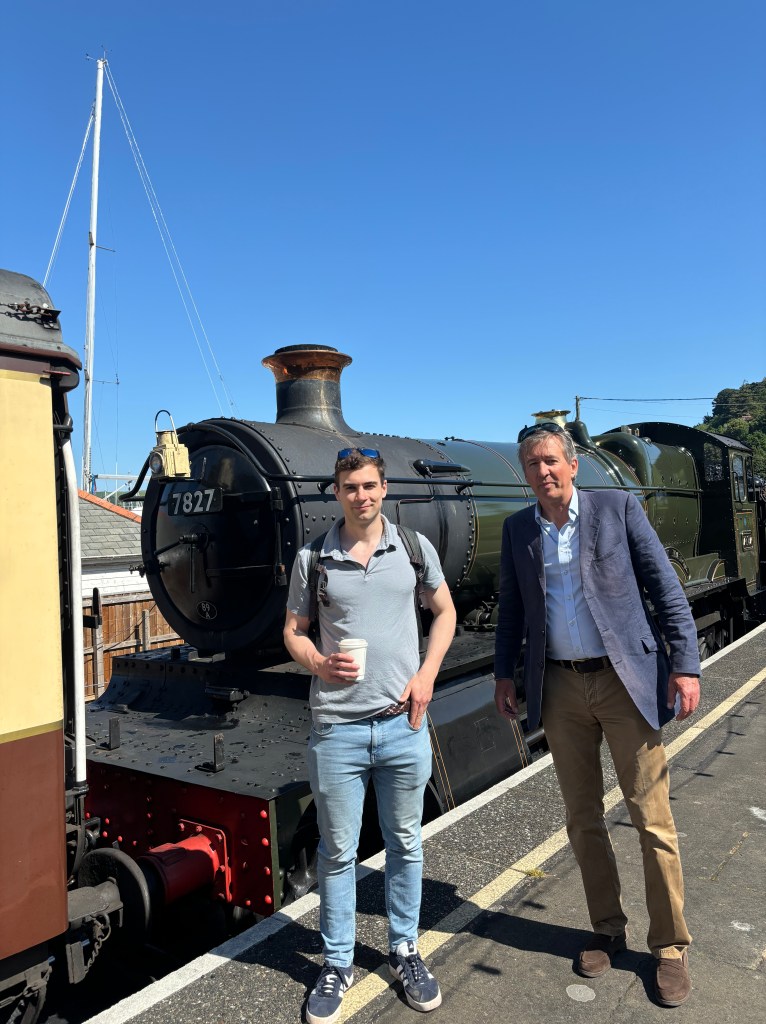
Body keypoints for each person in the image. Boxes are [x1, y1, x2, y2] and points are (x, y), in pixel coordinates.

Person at [493, 423, 701, 1008]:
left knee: (651, 819)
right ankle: (607, 927)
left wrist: (686, 666)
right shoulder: (518, 529)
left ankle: (670, 946)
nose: (543, 472)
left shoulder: (617, 508)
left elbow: (664, 588)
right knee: (582, 818)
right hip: (559, 685)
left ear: (573, 464)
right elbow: (512, 610)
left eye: (551, 460)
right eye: (532, 464)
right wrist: (504, 674)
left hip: (624, 680)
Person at [284, 447, 456, 1024]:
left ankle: (405, 949)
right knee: (337, 853)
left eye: (369, 485)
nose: (361, 495)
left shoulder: (412, 547)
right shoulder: (313, 558)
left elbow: (445, 612)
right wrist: (317, 662)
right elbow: (294, 630)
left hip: (402, 724)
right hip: (337, 729)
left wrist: (427, 677)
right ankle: (337, 963)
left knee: (405, 843)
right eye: (350, 487)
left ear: (384, 489)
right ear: (337, 493)